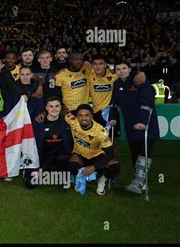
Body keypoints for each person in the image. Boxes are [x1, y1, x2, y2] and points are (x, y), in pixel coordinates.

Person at [109, 62, 159, 195]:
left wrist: (142, 122)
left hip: (146, 125)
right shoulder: (117, 84)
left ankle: (137, 184)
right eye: (118, 69)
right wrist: (113, 118)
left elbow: (147, 102)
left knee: (143, 153)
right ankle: (140, 182)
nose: (121, 71)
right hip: (131, 127)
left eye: (124, 68)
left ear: (130, 69)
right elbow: (114, 105)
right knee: (135, 155)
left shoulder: (139, 80)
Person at [66, 104, 120, 196]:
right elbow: (63, 112)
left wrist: (93, 167)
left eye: (87, 115)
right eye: (80, 115)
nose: (84, 118)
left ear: (92, 116)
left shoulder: (100, 131)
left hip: (96, 156)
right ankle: (80, 177)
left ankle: (102, 180)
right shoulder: (72, 121)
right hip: (80, 154)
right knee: (70, 163)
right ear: (77, 116)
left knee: (115, 165)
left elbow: (110, 153)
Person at [33, 96, 72, 191]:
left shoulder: (67, 122)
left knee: (62, 158)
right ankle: (41, 172)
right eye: (51, 106)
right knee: (30, 183)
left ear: (60, 107)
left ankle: (62, 180)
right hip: (45, 156)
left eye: (57, 106)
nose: (54, 109)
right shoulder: (39, 122)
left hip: (61, 156)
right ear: (46, 108)